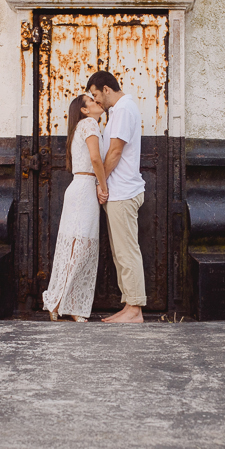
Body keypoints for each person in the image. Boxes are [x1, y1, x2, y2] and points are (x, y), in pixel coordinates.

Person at [86, 71, 146, 324]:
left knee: (127, 252)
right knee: (121, 252)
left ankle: (134, 310)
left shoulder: (122, 110)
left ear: (107, 89)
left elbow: (115, 152)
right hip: (120, 192)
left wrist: (102, 184)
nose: (97, 101)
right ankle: (128, 306)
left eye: (97, 95)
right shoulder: (122, 110)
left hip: (122, 192)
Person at [41, 94, 107, 322]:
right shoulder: (89, 124)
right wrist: (103, 185)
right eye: (92, 101)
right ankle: (62, 302)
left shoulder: (83, 126)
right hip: (85, 188)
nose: (98, 102)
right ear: (85, 110)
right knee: (79, 247)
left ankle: (64, 302)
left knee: (75, 246)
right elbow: (96, 159)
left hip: (79, 187)